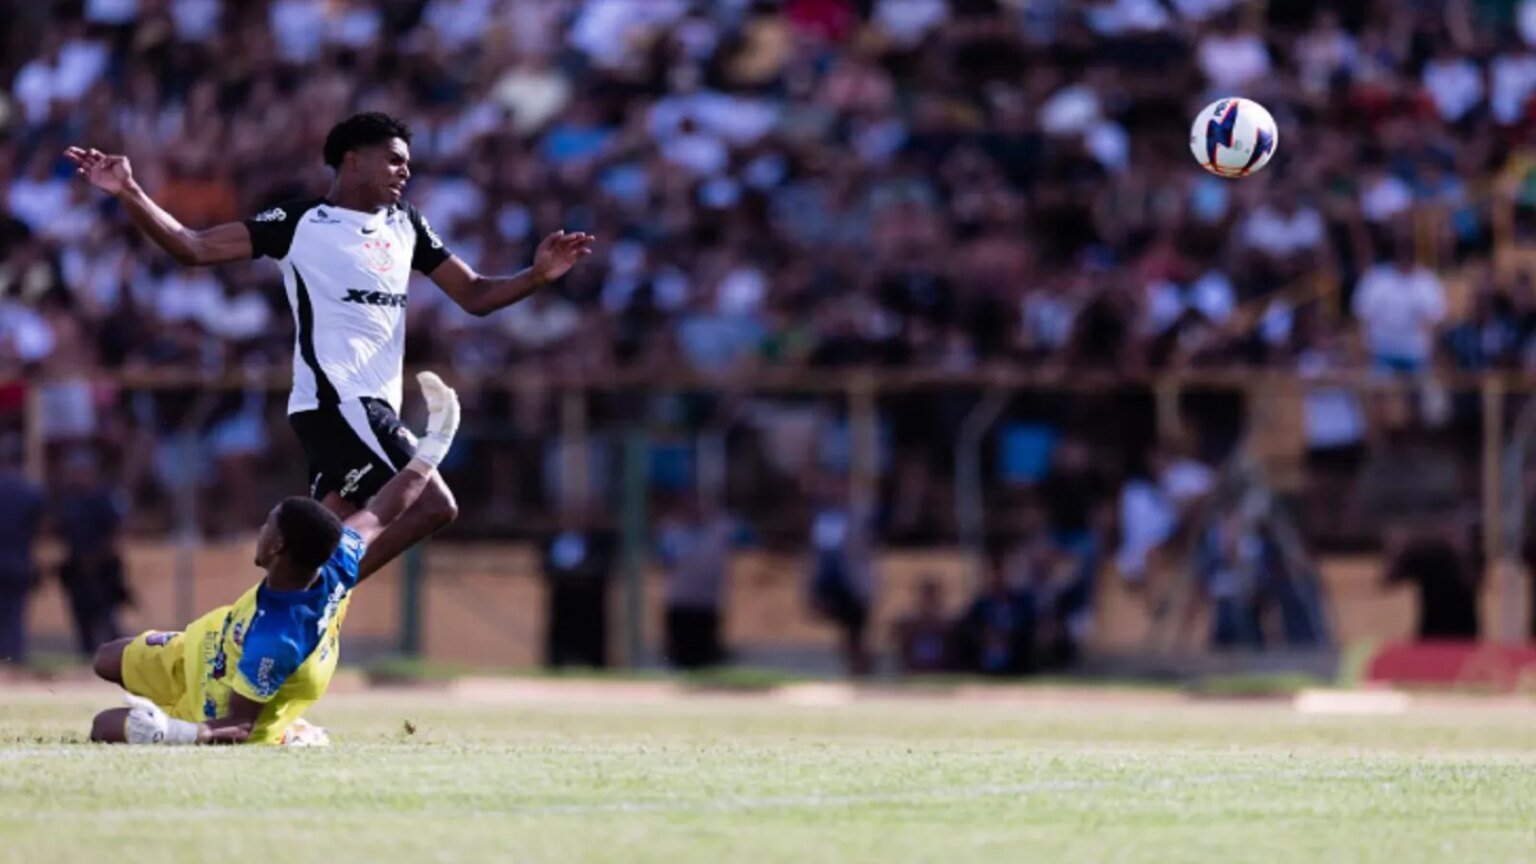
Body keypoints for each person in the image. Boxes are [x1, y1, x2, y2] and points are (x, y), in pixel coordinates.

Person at [64, 113, 594, 580]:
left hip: (369, 409)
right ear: (352, 161)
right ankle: (319, 597)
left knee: (310, 551)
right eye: (393, 160)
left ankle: (265, 629)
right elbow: (194, 247)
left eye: (408, 164)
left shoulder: (407, 225)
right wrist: (129, 191)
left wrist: (536, 276)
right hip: (337, 402)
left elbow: (474, 295)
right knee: (431, 505)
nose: (404, 172)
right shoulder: (299, 222)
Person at [86, 371, 460, 746]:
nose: (260, 530)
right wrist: (437, 441)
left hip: (215, 696)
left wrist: (173, 732)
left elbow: (241, 725)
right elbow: (384, 508)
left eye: (268, 524)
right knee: (105, 658)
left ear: (279, 546)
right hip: (211, 644)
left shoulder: (278, 637)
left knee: (104, 726)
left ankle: (286, 730)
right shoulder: (338, 556)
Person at [52, 450, 131, 656]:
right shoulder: (68, 500)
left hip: (101, 569)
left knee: (106, 617)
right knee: (81, 616)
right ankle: (87, 654)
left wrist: (100, 557)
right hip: (77, 569)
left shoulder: (103, 497)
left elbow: (117, 530)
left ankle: (120, 655)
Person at [0, 441, 46, 665]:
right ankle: (12, 660)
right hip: (19, 559)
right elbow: (43, 526)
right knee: (14, 615)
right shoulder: (31, 490)